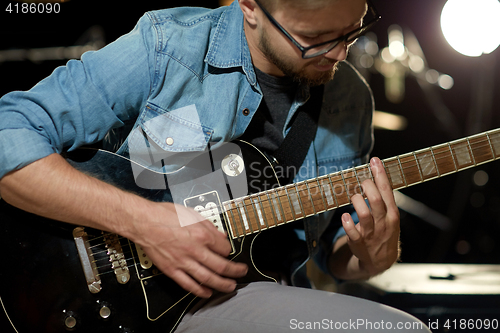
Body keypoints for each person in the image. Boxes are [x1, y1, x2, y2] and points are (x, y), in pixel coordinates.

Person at [0, 0, 431, 332]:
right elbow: (8, 134)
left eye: (353, 32)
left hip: (249, 292)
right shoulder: (168, 45)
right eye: (315, 39)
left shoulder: (349, 98)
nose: (339, 55)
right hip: (125, 293)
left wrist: (371, 257)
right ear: (250, 7)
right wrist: (143, 222)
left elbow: (327, 254)